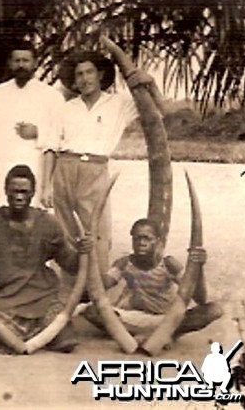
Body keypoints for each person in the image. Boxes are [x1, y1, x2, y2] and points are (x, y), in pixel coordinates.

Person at [42, 49, 159, 278]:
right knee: (65, 234)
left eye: (89, 73)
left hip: (95, 170)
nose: (84, 79)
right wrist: (46, 185)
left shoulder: (119, 103)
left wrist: (151, 83)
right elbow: (50, 147)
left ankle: (98, 291)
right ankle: (71, 288)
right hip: (64, 167)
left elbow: (157, 112)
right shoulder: (66, 108)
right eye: (79, 75)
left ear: (100, 75)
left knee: (98, 233)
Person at [0, 165, 93, 354]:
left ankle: (29, 334)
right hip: (8, 302)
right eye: (14, 191)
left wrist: (83, 252)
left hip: (45, 298)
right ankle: (30, 334)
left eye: (24, 192)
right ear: (6, 191)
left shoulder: (48, 223)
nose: (19, 197)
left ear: (33, 193)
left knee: (66, 343)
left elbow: (69, 264)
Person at [82, 218, 223, 343]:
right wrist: (89, 253)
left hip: (167, 320)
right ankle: (155, 337)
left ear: (158, 241)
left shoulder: (169, 264)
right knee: (91, 311)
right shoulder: (124, 263)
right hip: (135, 318)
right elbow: (99, 288)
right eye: (137, 238)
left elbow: (199, 298)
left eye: (147, 238)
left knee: (214, 310)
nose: (141, 243)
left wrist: (199, 268)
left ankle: (145, 336)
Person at [0, 42, 65, 213]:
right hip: (0, 167)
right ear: (10, 63)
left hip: (35, 165)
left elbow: (61, 134)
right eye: (17, 60)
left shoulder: (51, 96)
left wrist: (38, 132)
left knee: (33, 216)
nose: (21, 65)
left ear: (34, 63)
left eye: (26, 60)